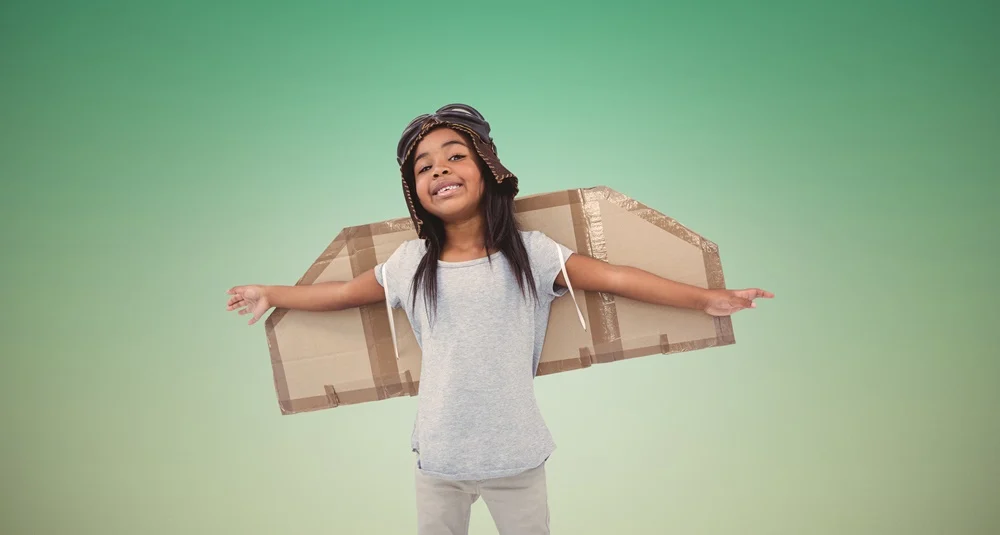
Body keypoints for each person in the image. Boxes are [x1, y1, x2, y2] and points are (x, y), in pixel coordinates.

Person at [226, 104, 773, 534]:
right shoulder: (411, 264)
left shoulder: (532, 256)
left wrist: (705, 299)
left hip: (516, 458)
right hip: (438, 460)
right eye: (424, 167)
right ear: (416, 194)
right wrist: (269, 291)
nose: (438, 167)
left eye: (454, 155)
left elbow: (619, 277)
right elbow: (344, 294)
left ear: (487, 168)